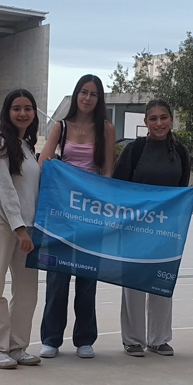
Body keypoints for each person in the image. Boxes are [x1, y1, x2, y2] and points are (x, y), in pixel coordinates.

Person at [38, 74, 116, 359]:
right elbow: (44, 162)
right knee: (57, 277)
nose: (87, 98)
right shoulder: (60, 127)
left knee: (87, 277)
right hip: (61, 211)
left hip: (91, 212)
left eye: (93, 94)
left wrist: (100, 204)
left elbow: (108, 170)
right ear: (76, 95)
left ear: (99, 99)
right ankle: (51, 338)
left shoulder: (106, 128)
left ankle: (85, 338)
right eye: (83, 92)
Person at [111, 99, 191, 357]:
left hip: (166, 230)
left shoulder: (180, 152)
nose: (159, 123)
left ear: (171, 120)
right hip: (134, 228)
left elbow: (181, 191)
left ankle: (159, 339)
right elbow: (117, 187)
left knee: (161, 282)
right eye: (153, 118)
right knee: (133, 285)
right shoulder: (134, 150)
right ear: (145, 122)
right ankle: (133, 340)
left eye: (164, 117)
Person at [0, 89, 43, 370]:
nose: (23, 113)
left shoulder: (27, 146)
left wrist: (30, 227)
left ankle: (16, 346)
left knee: (27, 291)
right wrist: (18, 228)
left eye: (28, 108)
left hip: (27, 229)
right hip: (1, 226)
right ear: (7, 112)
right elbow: (1, 188)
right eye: (17, 108)